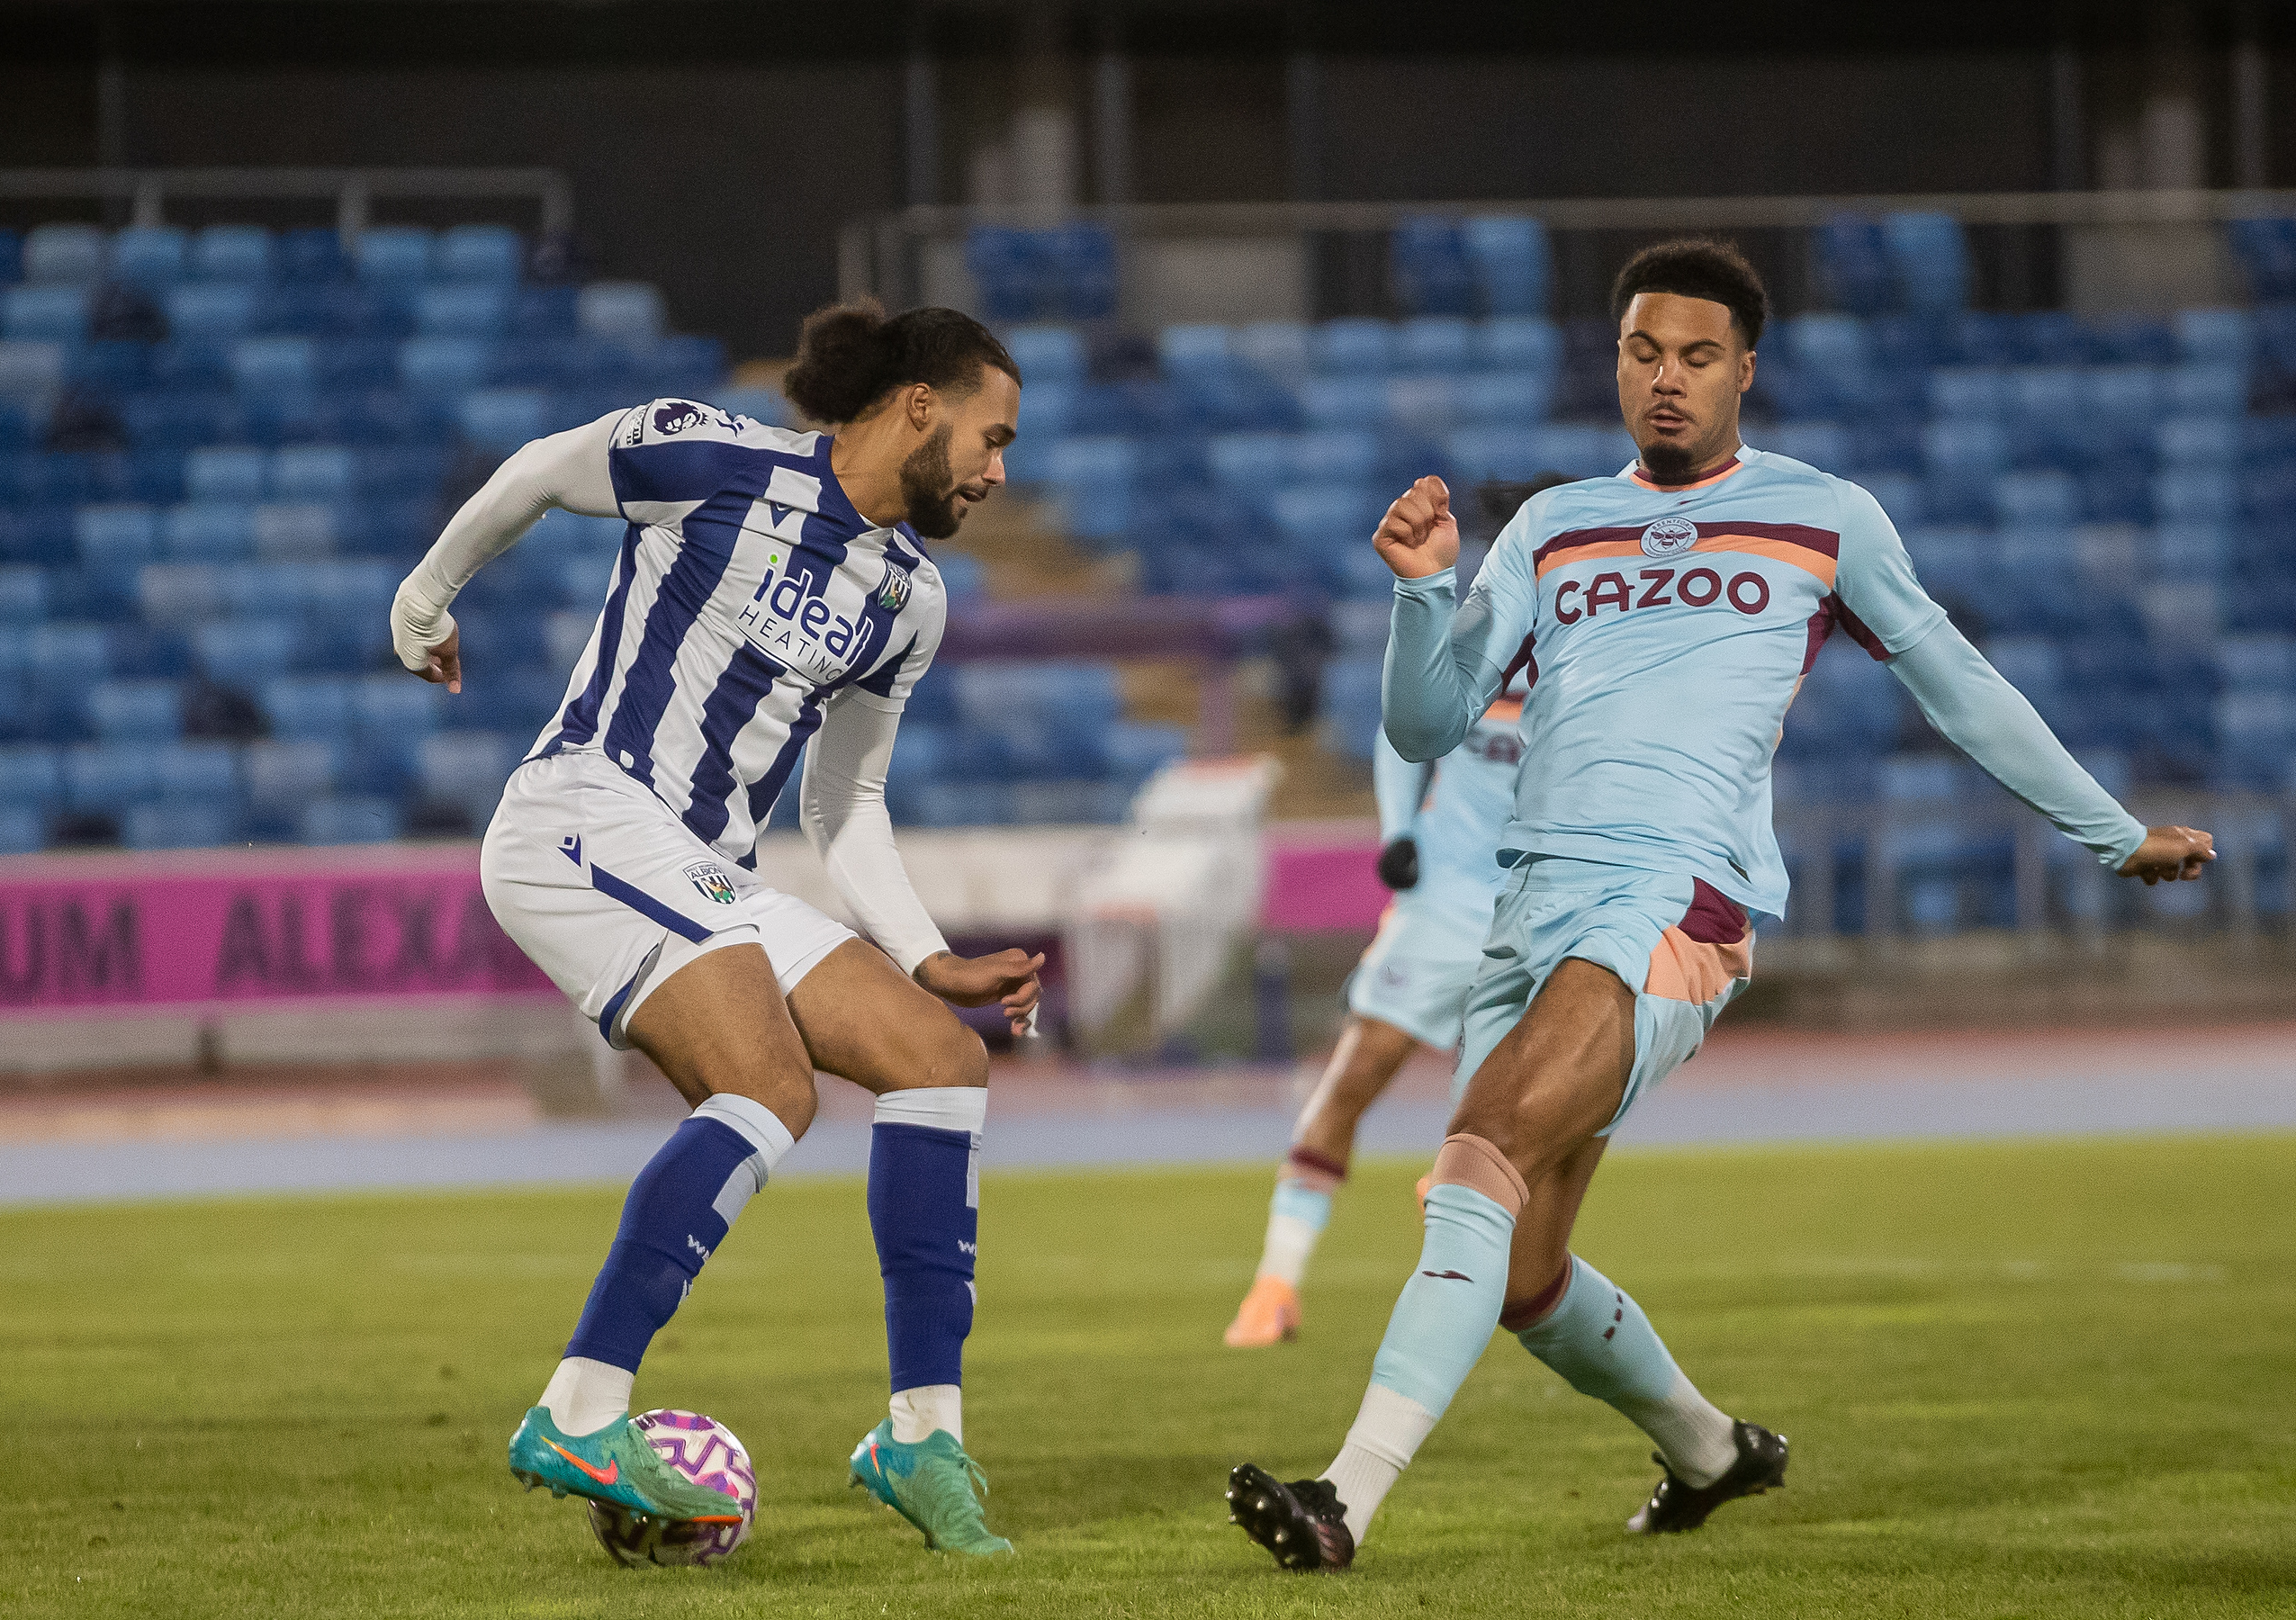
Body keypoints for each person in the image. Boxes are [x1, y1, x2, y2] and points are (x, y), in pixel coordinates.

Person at [1226, 238, 2217, 1570]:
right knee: (1521, 1275)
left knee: (1477, 1154)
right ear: (1617, 364)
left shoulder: (1825, 515)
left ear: (1747, 370)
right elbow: (1424, 726)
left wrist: (2108, 834)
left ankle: (1342, 1500)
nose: (1669, 381)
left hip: (1674, 899)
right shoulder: (1555, 525)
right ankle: (1713, 1451)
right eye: (1644, 353)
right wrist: (1420, 594)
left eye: (1698, 357)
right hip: (1532, 908)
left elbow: (1959, 684)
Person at [389, 300, 1042, 1558]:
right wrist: (425, 602)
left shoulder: (908, 597)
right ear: (919, 404)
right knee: (766, 1083)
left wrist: (928, 958)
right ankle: (582, 1409)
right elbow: (537, 472)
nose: (999, 472)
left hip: (704, 868)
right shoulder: (714, 456)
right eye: (990, 435)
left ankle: (921, 1438)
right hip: (581, 815)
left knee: (941, 1062)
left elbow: (843, 800)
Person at [1223, 485, 1569, 1350]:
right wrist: (1400, 831)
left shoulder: (1585, 650)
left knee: (1548, 1104)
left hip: (1535, 912)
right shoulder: (1477, 634)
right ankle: (1275, 1284)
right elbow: (1397, 730)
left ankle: (1467, 1208)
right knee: (1354, 1079)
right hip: (1444, 902)